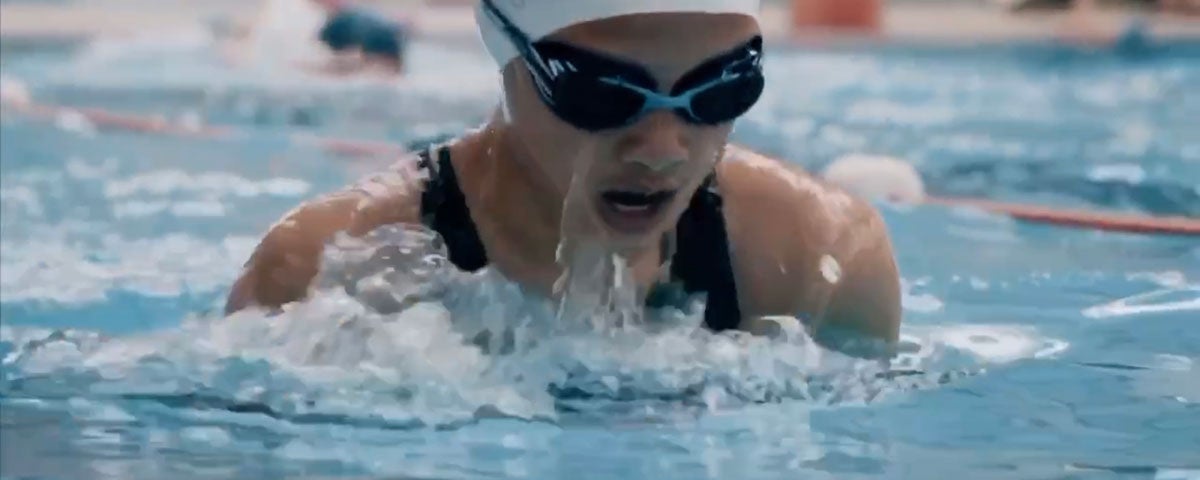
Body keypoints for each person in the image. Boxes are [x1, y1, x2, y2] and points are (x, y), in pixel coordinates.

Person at [225, 0, 903, 355]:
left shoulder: (817, 261)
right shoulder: (323, 273)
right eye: (602, 93)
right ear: (505, 52)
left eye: (721, 88)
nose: (662, 149)